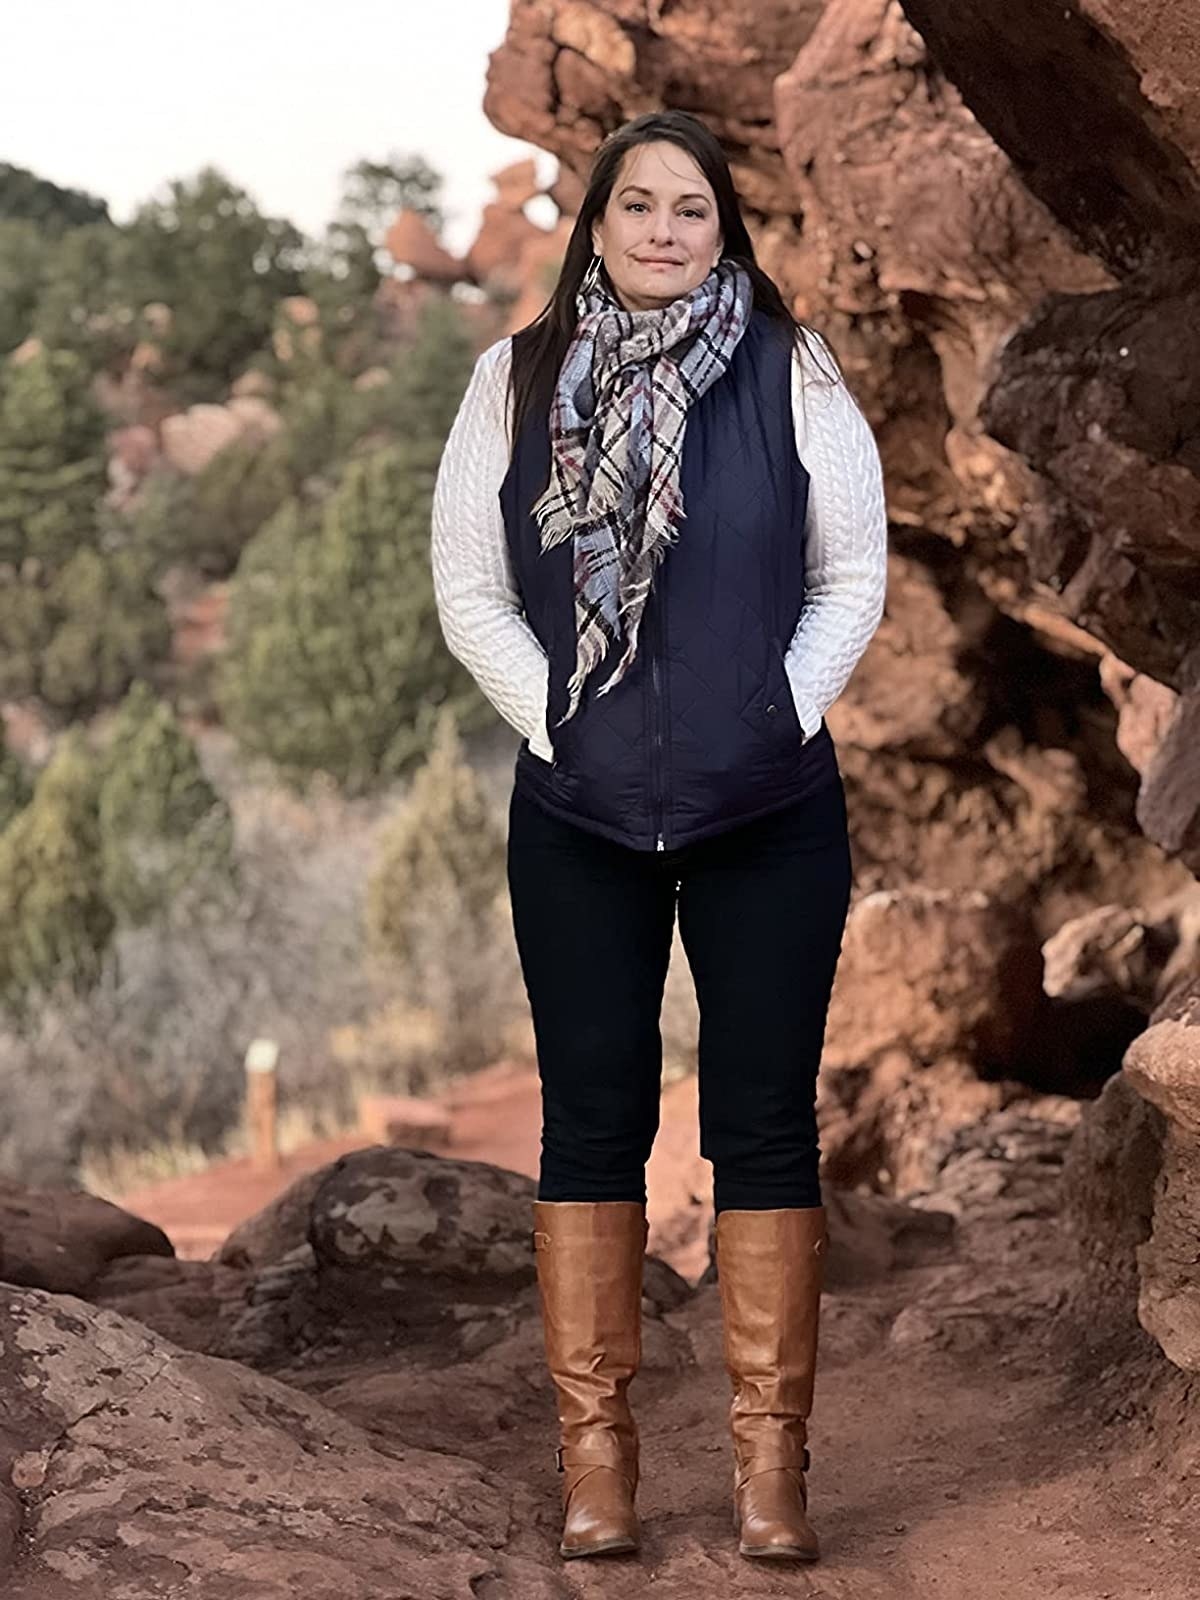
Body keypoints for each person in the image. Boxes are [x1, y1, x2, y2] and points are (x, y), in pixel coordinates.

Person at [431, 108, 887, 1564]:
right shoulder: (515, 379)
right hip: (579, 810)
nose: (667, 232)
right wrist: (560, 723)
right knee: (593, 1118)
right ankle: (601, 1470)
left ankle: (770, 1475)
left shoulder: (790, 365)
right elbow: (470, 585)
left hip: (770, 808)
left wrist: (779, 710)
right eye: (641, 206)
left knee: (761, 1122)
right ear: (600, 223)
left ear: (722, 226)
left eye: (693, 209)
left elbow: (852, 570)